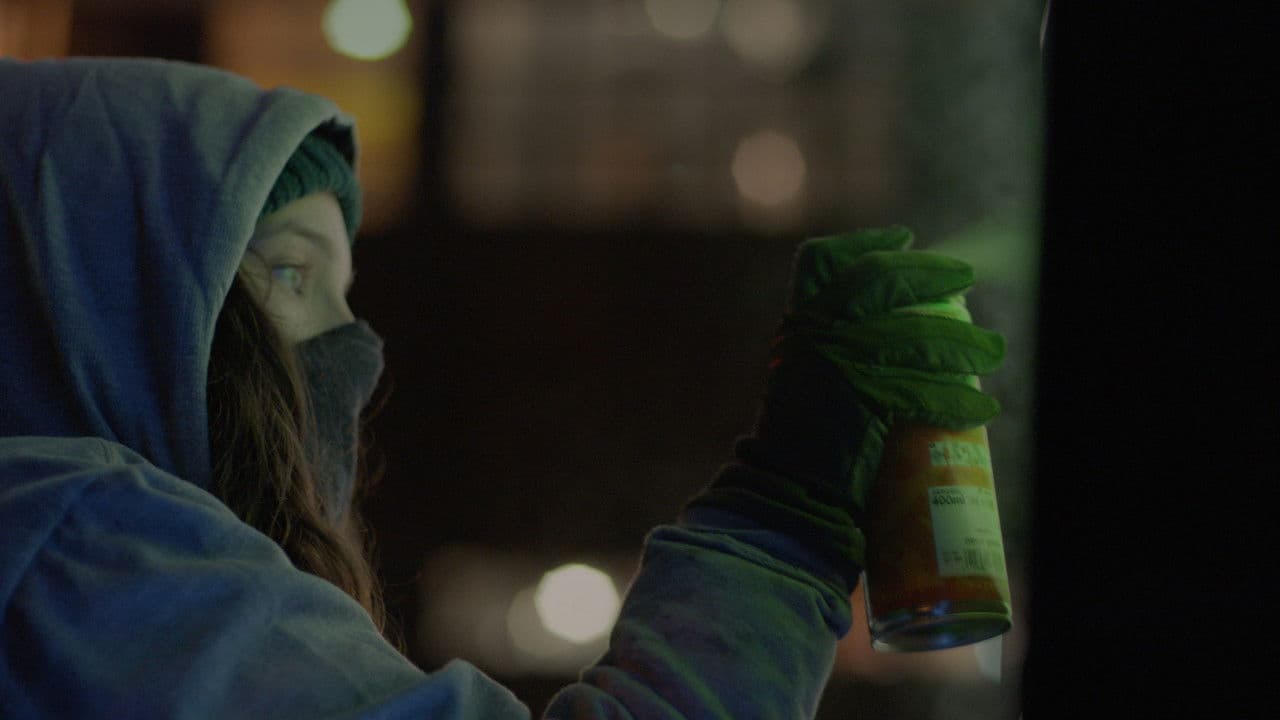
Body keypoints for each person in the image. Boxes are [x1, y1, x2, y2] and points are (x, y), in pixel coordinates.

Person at [0, 57, 1005, 718]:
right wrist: (782, 517)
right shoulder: (69, 541)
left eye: (346, 296)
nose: (355, 355)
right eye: (292, 273)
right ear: (86, 289)